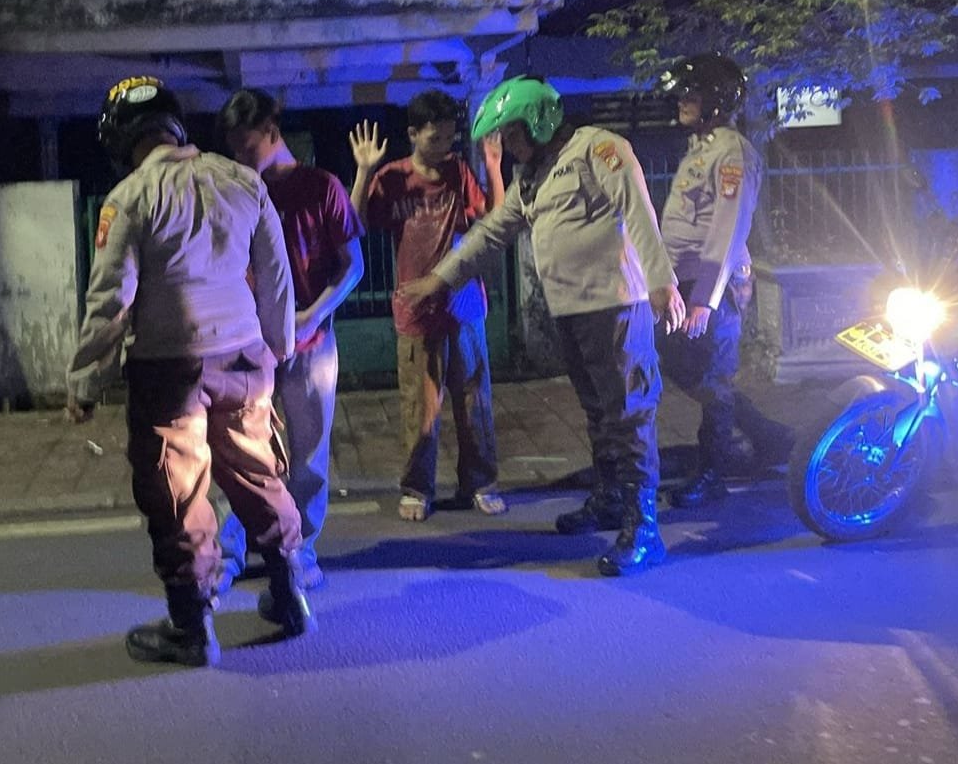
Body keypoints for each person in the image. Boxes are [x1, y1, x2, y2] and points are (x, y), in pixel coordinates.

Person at [66, 75, 315, 668]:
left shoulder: (129, 198)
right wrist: (278, 346)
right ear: (175, 124)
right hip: (245, 358)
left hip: (169, 367)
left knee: (178, 494)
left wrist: (86, 381)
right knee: (259, 473)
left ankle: (192, 628)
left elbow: (111, 300)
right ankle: (290, 597)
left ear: (120, 137)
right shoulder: (242, 180)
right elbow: (276, 275)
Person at [399, 76, 686, 576]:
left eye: (513, 132)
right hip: (572, 313)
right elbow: (492, 232)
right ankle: (609, 499)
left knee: (629, 416)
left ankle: (644, 529)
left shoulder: (598, 148)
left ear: (539, 120)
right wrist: (441, 279)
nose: (508, 143)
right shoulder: (533, 175)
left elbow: (637, 208)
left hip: (616, 309)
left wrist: (662, 280)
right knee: (598, 413)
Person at [214, 88, 365, 593]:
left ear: (272, 132)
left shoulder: (322, 187)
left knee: (307, 457)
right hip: (249, 347)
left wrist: (311, 314)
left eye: (247, 146)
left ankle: (301, 551)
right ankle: (228, 552)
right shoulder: (239, 192)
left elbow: (353, 266)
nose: (241, 158)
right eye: (234, 149)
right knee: (239, 454)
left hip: (310, 344)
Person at [348, 89, 508, 522]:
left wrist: (493, 167)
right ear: (413, 134)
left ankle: (481, 482)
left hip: (465, 304)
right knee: (421, 408)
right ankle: (417, 488)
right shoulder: (393, 178)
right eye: (434, 138)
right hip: (416, 312)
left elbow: (495, 218)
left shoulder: (458, 171)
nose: (443, 147)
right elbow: (355, 224)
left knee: (475, 402)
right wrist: (364, 172)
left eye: (449, 138)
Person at [655, 53, 791, 508]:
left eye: (690, 94)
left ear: (716, 100)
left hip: (712, 286)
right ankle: (768, 437)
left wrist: (705, 299)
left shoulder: (732, 153)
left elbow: (728, 230)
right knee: (686, 370)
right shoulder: (703, 146)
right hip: (685, 281)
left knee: (712, 379)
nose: (681, 101)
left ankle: (712, 472)